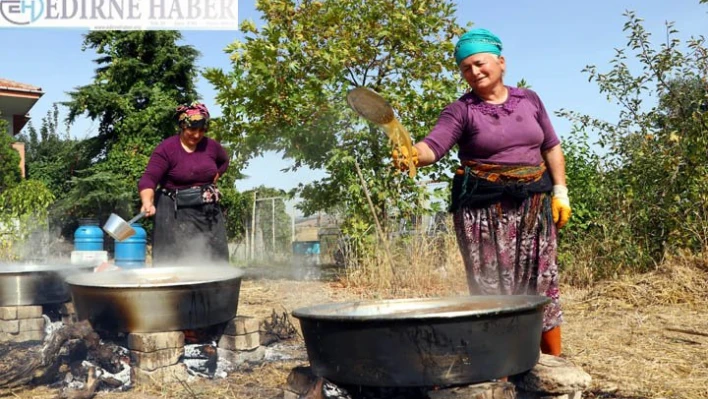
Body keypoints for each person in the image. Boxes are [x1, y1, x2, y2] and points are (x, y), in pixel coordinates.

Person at [392, 28, 571, 356]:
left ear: (501, 62)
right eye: (465, 68)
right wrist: (413, 153)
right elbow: (435, 145)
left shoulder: (529, 100)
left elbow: (551, 147)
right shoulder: (461, 110)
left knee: (542, 284)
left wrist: (560, 191)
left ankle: (552, 366)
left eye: (479, 63)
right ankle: (499, 368)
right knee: (492, 290)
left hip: (534, 208)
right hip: (482, 214)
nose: (473, 72)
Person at [137, 102, 230, 266]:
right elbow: (149, 179)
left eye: (202, 130)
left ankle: (212, 291)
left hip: (207, 211)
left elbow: (224, 161)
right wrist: (147, 201)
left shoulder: (211, 146)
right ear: (182, 126)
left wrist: (214, 178)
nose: (196, 135)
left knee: (215, 261)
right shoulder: (166, 149)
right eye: (192, 130)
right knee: (173, 262)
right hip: (173, 211)